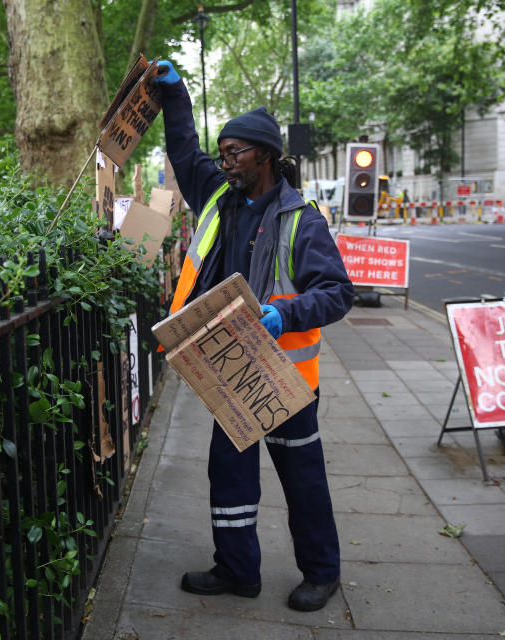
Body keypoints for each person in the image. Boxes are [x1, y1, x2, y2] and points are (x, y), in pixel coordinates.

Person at [153, 60, 355, 612]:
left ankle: (322, 572)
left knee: (303, 481)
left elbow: (338, 292)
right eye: (223, 154)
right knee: (230, 476)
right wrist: (175, 98)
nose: (224, 163)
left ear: (265, 155)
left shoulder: (302, 219)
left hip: (284, 378)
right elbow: (183, 151)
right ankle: (238, 569)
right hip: (232, 372)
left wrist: (283, 317)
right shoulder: (220, 197)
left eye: (235, 152)